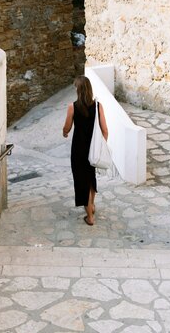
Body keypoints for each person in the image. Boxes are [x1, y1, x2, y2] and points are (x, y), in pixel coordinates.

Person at [63, 75, 108, 226]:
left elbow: (67, 127)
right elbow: (105, 130)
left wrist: (64, 132)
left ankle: (90, 217)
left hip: (79, 150)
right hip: (93, 150)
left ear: (79, 90)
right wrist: (101, 146)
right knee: (90, 179)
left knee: (81, 181)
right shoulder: (98, 106)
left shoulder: (72, 107)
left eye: (76, 87)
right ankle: (92, 205)